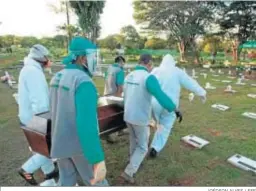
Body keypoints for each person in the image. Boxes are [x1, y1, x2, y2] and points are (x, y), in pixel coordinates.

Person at [49, 36, 108, 186]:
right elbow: (86, 124)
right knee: (97, 183)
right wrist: (97, 158)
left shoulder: (57, 77)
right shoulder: (83, 82)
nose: (95, 60)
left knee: (66, 182)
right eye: (92, 56)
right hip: (79, 145)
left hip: (59, 139)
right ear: (82, 58)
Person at [121, 54, 182, 183]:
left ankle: (132, 161)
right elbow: (160, 95)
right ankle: (129, 172)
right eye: (151, 64)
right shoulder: (148, 77)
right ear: (148, 63)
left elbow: (125, 96)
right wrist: (174, 108)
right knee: (143, 146)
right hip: (140, 117)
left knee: (133, 140)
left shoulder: (129, 76)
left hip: (128, 115)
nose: (151, 67)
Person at [149, 54, 207, 158]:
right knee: (165, 126)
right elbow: (190, 83)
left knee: (156, 123)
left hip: (155, 103)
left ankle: (150, 134)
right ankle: (155, 147)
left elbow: (147, 84)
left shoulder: (155, 70)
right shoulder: (177, 71)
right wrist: (202, 92)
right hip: (170, 105)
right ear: (173, 62)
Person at [17, 44, 57, 186]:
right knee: (48, 147)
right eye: (47, 57)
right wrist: (46, 121)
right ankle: (26, 169)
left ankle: (49, 173)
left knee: (39, 147)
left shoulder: (28, 69)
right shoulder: (33, 72)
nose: (49, 60)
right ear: (41, 58)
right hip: (36, 117)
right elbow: (40, 102)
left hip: (27, 116)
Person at [103, 56, 126, 143]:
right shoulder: (119, 70)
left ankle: (117, 131)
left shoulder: (109, 69)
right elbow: (120, 86)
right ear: (120, 61)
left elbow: (106, 80)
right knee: (118, 114)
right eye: (123, 63)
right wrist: (119, 96)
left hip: (106, 93)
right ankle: (114, 133)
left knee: (108, 115)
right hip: (115, 95)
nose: (123, 65)